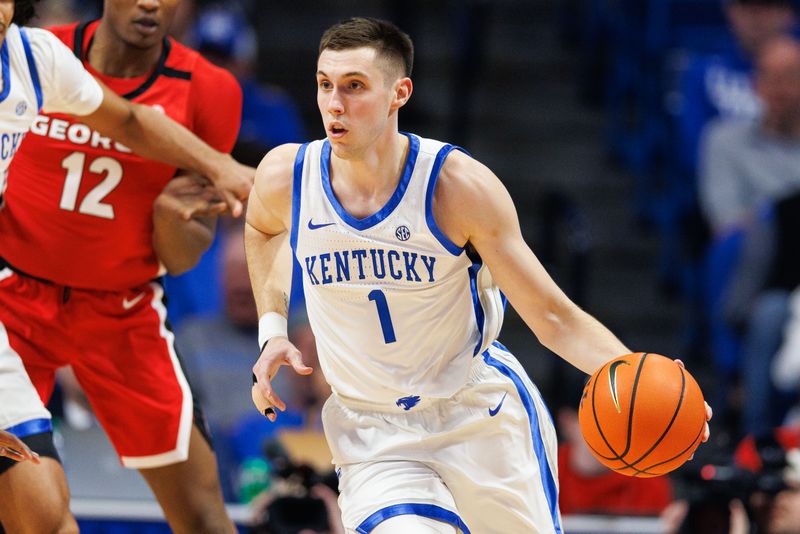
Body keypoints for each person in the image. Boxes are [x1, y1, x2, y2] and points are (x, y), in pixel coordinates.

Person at [246, 17, 711, 533]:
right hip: (373, 431)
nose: (334, 103)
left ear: (399, 93)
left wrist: (644, 381)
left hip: (478, 416)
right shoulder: (288, 176)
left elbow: (554, 317)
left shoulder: (456, 187)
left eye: (354, 86)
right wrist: (272, 330)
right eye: (325, 84)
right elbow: (261, 228)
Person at [0, 0, 249, 532]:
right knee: (31, 509)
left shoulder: (210, 90)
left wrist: (171, 220)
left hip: (122, 309)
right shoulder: (39, 51)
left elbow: (183, 256)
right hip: (14, 299)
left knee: (204, 516)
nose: (151, 2)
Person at [699, 36, 800, 236]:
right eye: (770, 77)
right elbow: (726, 223)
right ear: (755, 85)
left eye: (790, 77)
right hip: (757, 256)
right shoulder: (723, 139)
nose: (779, 89)